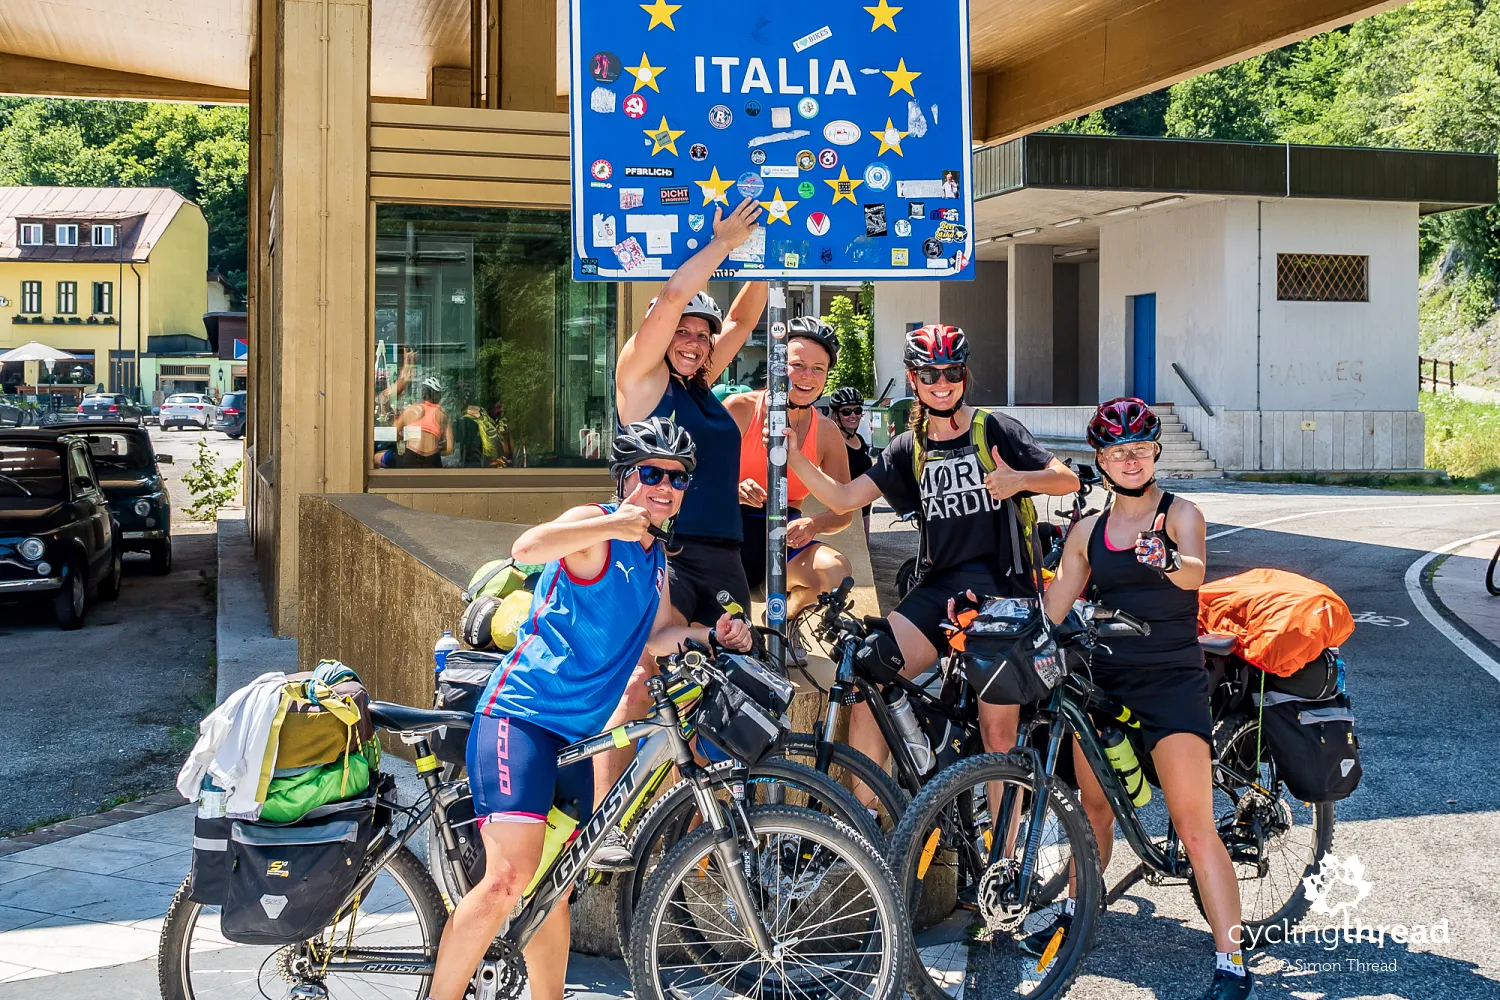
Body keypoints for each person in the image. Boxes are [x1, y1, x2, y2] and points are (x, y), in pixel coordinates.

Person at [428, 417, 753, 1000]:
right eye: (651, 473)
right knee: (506, 881)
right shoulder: (596, 527)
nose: (664, 487)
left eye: (676, 479)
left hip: (579, 740)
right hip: (522, 720)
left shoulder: (656, 562)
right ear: (626, 476)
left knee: (551, 890)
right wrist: (616, 520)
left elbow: (653, 639)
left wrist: (712, 636)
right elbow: (524, 548)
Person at [781, 324, 1079, 792]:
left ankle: (1001, 862)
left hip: (1002, 593)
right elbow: (842, 498)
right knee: (869, 674)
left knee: (998, 736)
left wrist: (1018, 481)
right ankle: (865, 828)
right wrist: (795, 457)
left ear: (965, 375)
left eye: (952, 372)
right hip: (941, 590)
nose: (942, 383)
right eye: (929, 374)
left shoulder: (994, 428)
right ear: (912, 379)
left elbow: (1066, 480)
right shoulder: (909, 447)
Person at [1038, 397, 1251, 1000]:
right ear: (1101, 459)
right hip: (1104, 689)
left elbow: (1194, 573)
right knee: (1092, 813)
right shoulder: (1087, 532)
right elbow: (1053, 608)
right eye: (1117, 451)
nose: (1130, 459)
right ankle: (1077, 916)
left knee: (1193, 825)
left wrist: (1166, 559)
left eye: (1140, 449)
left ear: (1155, 453)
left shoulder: (1180, 514)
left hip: (1173, 687)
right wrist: (998, 626)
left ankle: (1231, 958)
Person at [591, 199, 766, 867]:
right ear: (658, 335)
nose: (693, 340)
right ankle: (609, 826)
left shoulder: (700, 388)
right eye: (683, 331)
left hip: (723, 557)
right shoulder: (641, 382)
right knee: (643, 683)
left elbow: (746, 317)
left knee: (719, 686)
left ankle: (680, 829)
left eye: (703, 334)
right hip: (657, 551)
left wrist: (779, 246)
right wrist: (724, 240)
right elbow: (669, 295)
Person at [726, 317, 854, 640]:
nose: (806, 377)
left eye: (818, 369)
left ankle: (785, 622)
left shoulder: (827, 432)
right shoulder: (741, 409)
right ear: (779, 364)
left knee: (837, 571)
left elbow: (846, 510)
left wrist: (814, 524)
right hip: (730, 537)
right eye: (797, 365)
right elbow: (692, 481)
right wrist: (733, 491)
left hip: (786, 538)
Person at [828, 386, 873, 537]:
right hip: (844, 512)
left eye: (858, 411)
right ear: (835, 415)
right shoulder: (831, 442)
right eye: (847, 411)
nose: (853, 415)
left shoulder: (860, 440)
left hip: (864, 510)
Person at [392, 375, 453, 468]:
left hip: (411, 456)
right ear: (438, 395)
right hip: (433, 458)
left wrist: (404, 436)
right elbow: (450, 448)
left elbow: (392, 434)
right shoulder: (443, 415)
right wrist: (436, 448)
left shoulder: (409, 410)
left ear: (423, 393)